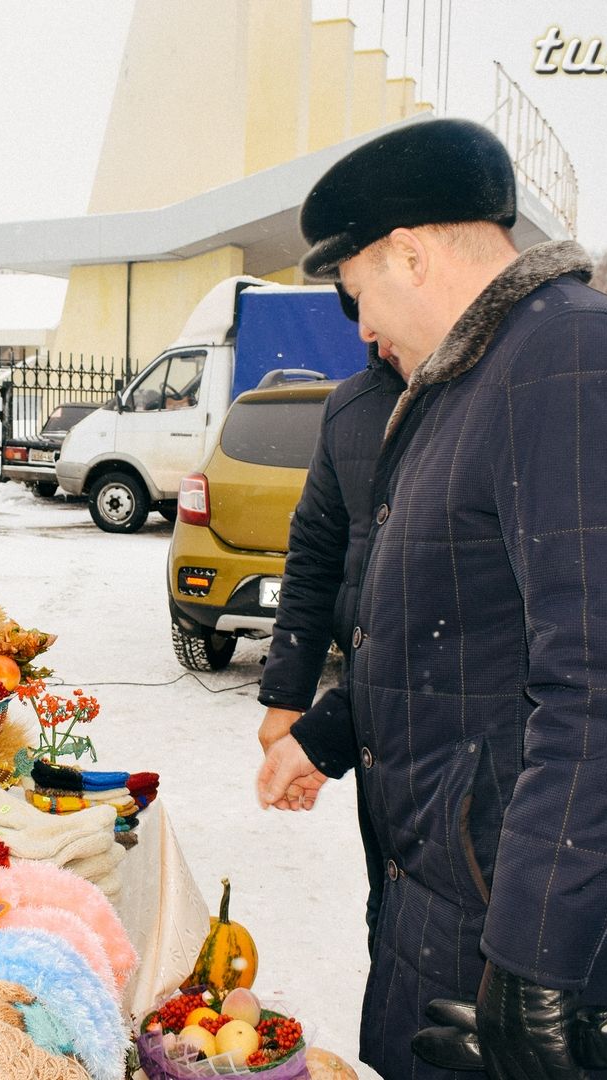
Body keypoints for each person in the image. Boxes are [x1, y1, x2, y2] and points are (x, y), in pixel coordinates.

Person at [257, 118, 607, 1079]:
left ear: (409, 255)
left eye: (354, 296)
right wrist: (327, 734)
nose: (362, 328)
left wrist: (534, 964)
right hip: (453, 899)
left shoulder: (577, 361)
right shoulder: (475, 377)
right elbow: (455, 631)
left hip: (529, 938)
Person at [256, 340, 403, 952]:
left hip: (461, 735)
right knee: (393, 901)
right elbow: (314, 555)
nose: (370, 328)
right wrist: (287, 699)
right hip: (375, 710)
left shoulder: (479, 399)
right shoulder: (353, 407)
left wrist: (325, 734)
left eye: (370, 298)